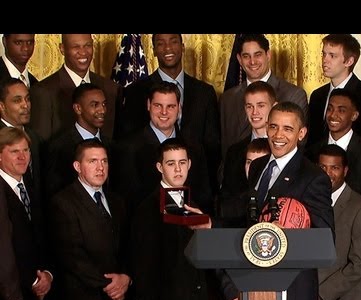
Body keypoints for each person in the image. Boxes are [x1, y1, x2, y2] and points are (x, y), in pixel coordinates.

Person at [190, 101, 334, 300]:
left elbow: (325, 238)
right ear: (266, 127)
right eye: (274, 126)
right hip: (252, 288)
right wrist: (211, 224)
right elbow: (250, 222)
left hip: (291, 298)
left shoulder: (314, 177)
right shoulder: (258, 167)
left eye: (288, 129)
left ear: (302, 133)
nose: (279, 135)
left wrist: (283, 235)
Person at [122, 34, 220, 196]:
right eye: (161, 43)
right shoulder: (135, 92)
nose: (168, 48)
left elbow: (212, 147)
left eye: (173, 42)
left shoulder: (205, 92)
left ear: (182, 46)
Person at [49, 139, 132, 300]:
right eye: (93, 161)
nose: (100, 167)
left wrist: (126, 277)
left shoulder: (117, 201)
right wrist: (111, 286)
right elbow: (73, 258)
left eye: (104, 161)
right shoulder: (63, 203)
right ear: (77, 166)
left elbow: (128, 245)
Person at [131, 138, 212, 300]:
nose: (178, 169)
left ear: (189, 164)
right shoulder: (147, 209)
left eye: (182, 163)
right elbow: (142, 265)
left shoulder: (194, 205)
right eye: (171, 163)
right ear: (160, 167)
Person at [112, 81, 212, 216]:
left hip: (190, 231)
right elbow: (126, 201)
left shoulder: (194, 147)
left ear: (179, 108)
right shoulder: (128, 148)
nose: (164, 112)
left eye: (170, 106)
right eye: (158, 106)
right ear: (148, 105)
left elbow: (204, 197)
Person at [219, 34, 308, 159]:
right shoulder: (227, 99)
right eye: (246, 56)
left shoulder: (294, 94)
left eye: (258, 55)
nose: (252, 61)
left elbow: (300, 147)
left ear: (268, 55)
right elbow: (225, 148)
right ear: (239, 59)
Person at [316, 144, 361, 300]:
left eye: (334, 168)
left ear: (345, 170)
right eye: (322, 168)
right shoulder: (308, 204)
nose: (327, 173)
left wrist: (321, 295)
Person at [0, 127, 52, 300]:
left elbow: (42, 236)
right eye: (14, 151)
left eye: (26, 150)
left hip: (40, 297)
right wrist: (31, 283)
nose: (22, 157)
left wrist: (47, 274)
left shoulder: (31, 185)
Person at [29, 34, 122, 141]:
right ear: (62, 49)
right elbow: (40, 144)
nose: (83, 52)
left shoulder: (111, 89)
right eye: (76, 47)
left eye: (87, 46)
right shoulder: (44, 92)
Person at [307, 88, 361, 205]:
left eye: (341, 111)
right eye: (329, 109)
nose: (333, 115)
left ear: (354, 115)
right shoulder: (311, 152)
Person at [308, 34, 361, 147]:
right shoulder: (317, 95)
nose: (325, 60)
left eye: (332, 56)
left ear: (349, 61)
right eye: (324, 54)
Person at [219, 81, 275, 221]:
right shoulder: (235, 152)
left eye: (261, 106)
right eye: (249, 106)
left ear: (274, 107)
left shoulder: (285, 148)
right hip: (238, 230)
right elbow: (226, 199)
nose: (254, 112)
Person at [45, 83, 112, 199]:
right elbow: (55, 195)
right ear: (78, 108)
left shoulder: (111, 145)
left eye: (104, 104)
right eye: (95, 105)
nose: (102, 110)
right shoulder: (59, 147)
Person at [0, 78, 44, 203]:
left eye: (28, 99)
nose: (25, 105)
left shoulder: (36, 139)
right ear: (2, 106)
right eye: (17, 100)